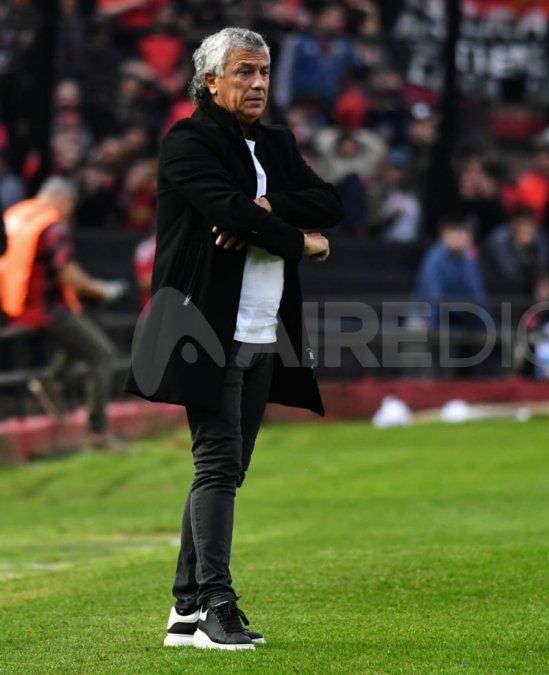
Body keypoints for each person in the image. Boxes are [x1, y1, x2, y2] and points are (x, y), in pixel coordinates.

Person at [124, 27, 342, 650]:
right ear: (211, 79)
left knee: (227, 469)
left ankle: (186, 613)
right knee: (217, 462)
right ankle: (218, 607)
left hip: (263, 328)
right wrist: (302, 240)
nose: (258, 84)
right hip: (203, 327)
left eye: (265, 72)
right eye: (245, 72)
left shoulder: (276, 142)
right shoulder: (187, 141)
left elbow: (329, 202)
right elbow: (228, 210)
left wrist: (270, 211)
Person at [0, 178, 127, 443]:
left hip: (14, 303)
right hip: (44, 309)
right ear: (63, 199)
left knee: (86, 322)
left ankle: (50, 381)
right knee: (103, 355)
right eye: (69, 207)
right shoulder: (52, 225)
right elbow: (67, 272)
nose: (68, 214)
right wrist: (100, 289)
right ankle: (98, 433)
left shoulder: (17, 214)